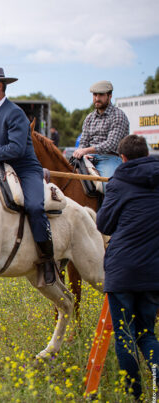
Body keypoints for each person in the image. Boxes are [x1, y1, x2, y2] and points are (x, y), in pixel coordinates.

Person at [0, 67, 57, 286]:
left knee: (35, 207)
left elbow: (17, 149)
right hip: (2, 167)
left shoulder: (15, 112)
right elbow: (0, 147)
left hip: (26, 170)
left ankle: (47, 259)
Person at [96, 134, 159, 400]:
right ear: (146, 154)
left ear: (122, 158)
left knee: (124, 334)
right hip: (153, 271)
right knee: (147, 333)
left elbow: (103, 224)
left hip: (122, 270)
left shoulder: (119, 182)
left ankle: (134, 394)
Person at [73, 80, 130, 181]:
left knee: (109, 186)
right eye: (95, 95)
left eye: (101, 95)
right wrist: (82, 153)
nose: (97, 98)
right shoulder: (89, 118)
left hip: (110, 158)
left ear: (110, 96)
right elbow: (83, 141)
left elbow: (111, 144)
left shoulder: (118, 115)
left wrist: (86, 150)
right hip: (88, 158)